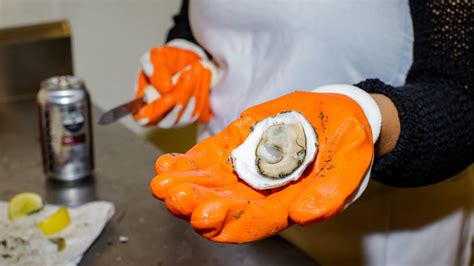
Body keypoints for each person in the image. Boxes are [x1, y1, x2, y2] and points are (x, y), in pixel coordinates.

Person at [131, 1, 473, 265]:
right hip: (223, 180)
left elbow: (462, 94)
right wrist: (189, 50)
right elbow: (196, 16)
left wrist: (368, 119)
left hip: (379, 220)